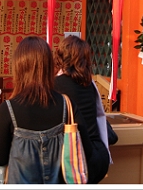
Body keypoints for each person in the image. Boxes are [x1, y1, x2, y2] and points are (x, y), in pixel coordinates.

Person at [0, 36, 93, 184]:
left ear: (19, 67)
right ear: (48, 67)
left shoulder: (8, 109)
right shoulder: (66, 104)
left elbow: (0, 159)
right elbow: (86, 151)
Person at [53, 35, 110, 184]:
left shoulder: (55, 85)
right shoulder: (89, 85)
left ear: (61, 56)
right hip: (98, 154)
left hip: (75, 158)